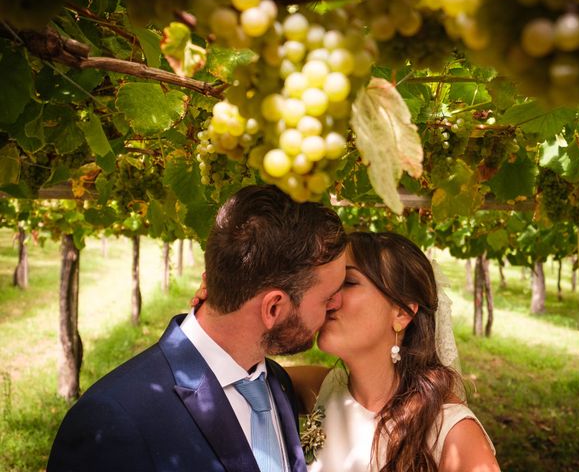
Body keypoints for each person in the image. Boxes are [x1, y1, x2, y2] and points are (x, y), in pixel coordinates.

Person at [47, 184, 347, 472]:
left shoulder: (275, 382)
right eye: (327, 298)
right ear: (273, 308)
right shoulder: (113, 421)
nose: (336, 305)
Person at [291, 231, 499, 472]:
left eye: (348, 283)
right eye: (330, 285)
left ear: (402, 313)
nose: (329, 299)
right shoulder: (323, 387)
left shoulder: (452, 433)